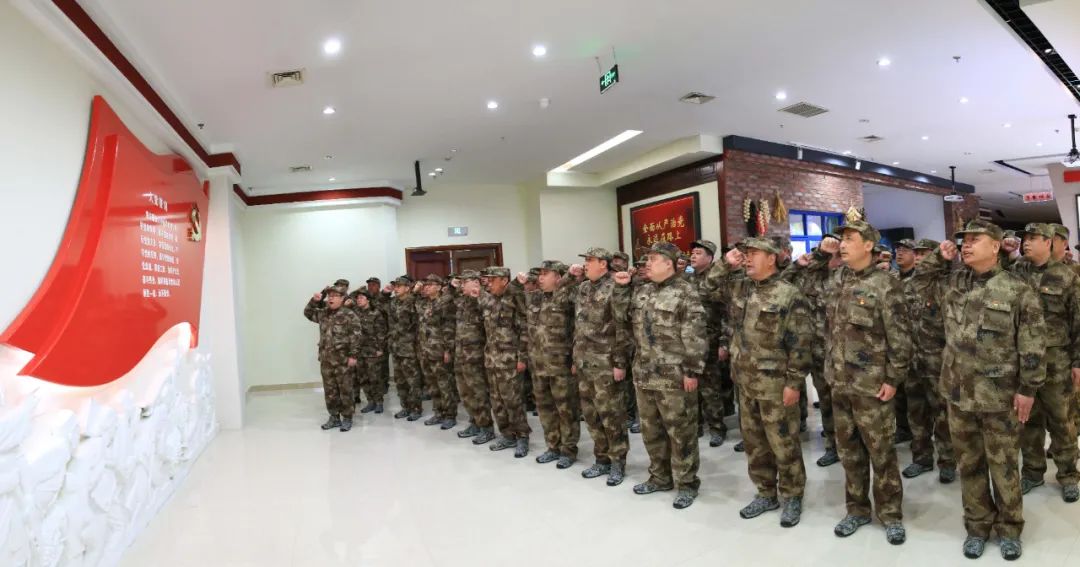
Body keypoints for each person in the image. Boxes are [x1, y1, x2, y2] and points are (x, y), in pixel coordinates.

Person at [919, 219, 1046, 560]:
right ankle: (977, 526)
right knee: (969, 465)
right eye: (964, 240)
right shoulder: (953, 283)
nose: (967, 245)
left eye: (976, 239)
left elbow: (1033, 345)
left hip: (999, 397)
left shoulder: (1018, 291)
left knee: (1004, 466)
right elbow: (915, 284)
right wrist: (938, 257)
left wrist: (1028, 389)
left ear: (996, 246)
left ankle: (1009, 528)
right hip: (958, 394)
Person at [708, 238, 813, 525]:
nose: (747, 258)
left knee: (784, 444)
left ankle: (792, 495)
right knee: (754, 444)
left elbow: (801, 343)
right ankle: (766, 493)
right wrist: (725, 264)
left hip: (776, 385)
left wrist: (794, 383)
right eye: (745, 254)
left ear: (772, 258)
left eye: (754, 253)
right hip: (745, 381)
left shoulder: (789, 294)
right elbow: (705, 289)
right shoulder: (739, 287)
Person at [819, 221, 910, 545]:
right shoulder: (836, 280)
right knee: (849, 453)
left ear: (868, 245)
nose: (842, 244)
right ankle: (856, 510)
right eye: (841, 239)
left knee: (881, 453)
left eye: (850, 239)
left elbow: (900, 336)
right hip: (840, 383)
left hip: (872, 386)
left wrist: (893, 378)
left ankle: (890, 514)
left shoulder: (886, 284)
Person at [618, 242, 706, 509]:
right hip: (645, 373)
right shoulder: (642, 291)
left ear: (669, 263)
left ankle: (687, 483)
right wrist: (621, 289)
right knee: (651, 429)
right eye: (647, 259)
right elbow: (622, 319)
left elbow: (695, 335)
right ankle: (660, 477)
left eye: (653, 259)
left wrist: (692, 371)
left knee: (681, 431)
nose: (647, 263)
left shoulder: (685, 292)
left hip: (674, 376)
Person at [1010, 223, 1080, 502]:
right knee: (1028, 420)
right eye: (1024, 238)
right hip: (1024, 361)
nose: (1026, 242)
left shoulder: (1066, 277)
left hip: (1056, 361)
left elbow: (1078, 321)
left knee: (1062, 420)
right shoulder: (1016, 272)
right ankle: (1032, 472)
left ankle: (1069, 475)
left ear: (1048, 242)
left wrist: (1078, 361)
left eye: (1033, 238)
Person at [572, 247, 633, 486]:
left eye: (590, 260)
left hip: (606, 363)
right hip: (585, 362)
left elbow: (622, 328)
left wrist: (619, 363)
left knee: (612, 415)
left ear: (603, 264)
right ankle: (601, 459)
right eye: (585, 260)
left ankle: (618, 461)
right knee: (591, 414)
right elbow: (578, 327)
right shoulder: (583, 288)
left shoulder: (615, 287)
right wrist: (576, 359)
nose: (586, 264)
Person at [519, 261, 581, 469]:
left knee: (566, 410)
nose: (541, 277)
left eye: (546, 274)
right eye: (540, 274)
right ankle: (553, 447)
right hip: (538, 365)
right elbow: (515, 296)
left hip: (560, 365)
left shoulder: (566, 297)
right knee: (545, 409)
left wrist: (570, 276)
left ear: (558, 277)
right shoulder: (536, 298)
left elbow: (576, 328)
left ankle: (568, 450)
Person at [903, 239, 955, 482]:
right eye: (917, 254)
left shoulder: (949, 284)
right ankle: (921, 458)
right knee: (916, 413)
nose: (919, 258)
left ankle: (948, 461)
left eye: (925, 254)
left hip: (938, 362)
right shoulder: (911, 285)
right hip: (913, 360)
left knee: (943, 414)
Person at [787, 237, 841, 467]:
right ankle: (833, 445)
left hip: (840, 354)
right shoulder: (810, 277)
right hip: (814, 351)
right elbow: (781, 284)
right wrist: (797, 265)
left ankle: (848, 445)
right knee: (826, 402)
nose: (833, 260)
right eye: (828, 255)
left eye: (836, 254)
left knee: (842, 404)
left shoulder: (846, 278)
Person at [479, 266, 531, 457]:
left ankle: (522, 437)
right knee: (497, 401)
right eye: (488, 280)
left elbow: (524, 330)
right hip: (492, 360)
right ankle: (507, 435)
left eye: (492, 280)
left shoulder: (515, 298)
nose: (489, 283)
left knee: (513, 401)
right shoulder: (489, 300)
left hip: (510, 360)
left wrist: (522, 358)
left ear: (504, 280)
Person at [688, 239, 731, 448]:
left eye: (698, 253)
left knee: (710, 388)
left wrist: (724, 342)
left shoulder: (718, 279)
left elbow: (726, 313)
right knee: (690, 387)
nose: (693, 256)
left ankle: (716, 428)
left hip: (710, 341)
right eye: (692, 253)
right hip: (690, 344)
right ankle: (696, 425)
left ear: (710, 258)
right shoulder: (688, 279)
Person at [303, 282, 362, 432]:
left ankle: (347, 418)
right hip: (326, 359)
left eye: (335, 296)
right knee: (330, 391)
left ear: (342, 298)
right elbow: (308, 313)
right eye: (329, 296)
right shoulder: (324, 313)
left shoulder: (350, 315)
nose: (331, 298)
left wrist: (353, 355)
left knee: (346, 390)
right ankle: (334, 417)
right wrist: (315, 300)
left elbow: (356, 337)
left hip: (343, 360)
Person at [452, 270, 496, 445]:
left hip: (475, 356)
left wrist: (479, 294)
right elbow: (449, 297)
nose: (461, 285)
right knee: (465, 393)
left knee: (478, 393)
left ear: (476, 283)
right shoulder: (462, 301)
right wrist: (456, 287)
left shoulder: (483, 299)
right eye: (461, 282)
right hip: (460, 355)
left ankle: (486, 428)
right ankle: (474, 422)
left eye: (465, 282)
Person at [417, 274, 458, 429]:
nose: (426, 287)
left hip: (439, 351)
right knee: (432, 385)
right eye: (425, 285)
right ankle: (438, 412)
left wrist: (448, 350)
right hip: (425, 351)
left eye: (430, 285)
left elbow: (449, 328)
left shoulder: (445, 303)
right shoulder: (424, 304)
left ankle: (450, 415)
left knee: (444, 384)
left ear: (439, 287)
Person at [388, 276, 424, 421]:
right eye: (395, 286)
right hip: (396, 347)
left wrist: (413, 294)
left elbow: (409, 320)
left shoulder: (415, 301)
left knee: (412, 381)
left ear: (407, 288)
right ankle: (405, 407)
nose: (396, 289)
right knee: (400, 381)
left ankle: (416, 408)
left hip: (409, 348)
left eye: (399, 286)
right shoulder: (393, 302)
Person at [350, 289, 388, 414]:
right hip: (359, 351)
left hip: (372, 351)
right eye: (358, 298)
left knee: (375, 378)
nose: (358, 300)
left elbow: (381, 332)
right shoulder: (355, 313)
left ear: (368, 300)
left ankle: (379, 402)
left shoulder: (375, 313)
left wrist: (380, 348)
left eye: (361, 298)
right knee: (363, 378)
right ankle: (370, 401)